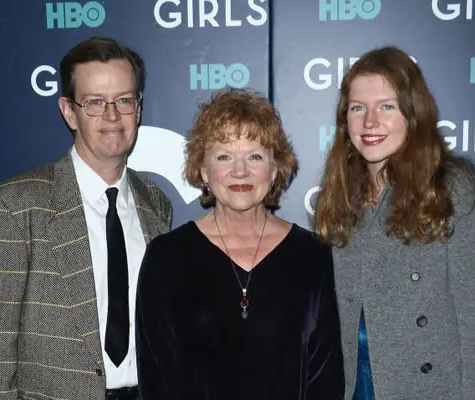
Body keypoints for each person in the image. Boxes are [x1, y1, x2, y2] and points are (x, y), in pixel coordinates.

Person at [0, 37, 171, 400]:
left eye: (124, 100)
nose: (112, 116)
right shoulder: (15, 206)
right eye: (95, 102)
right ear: (68, 111)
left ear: (138, 110)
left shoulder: (156, 205)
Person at [314, 46, 475, 399]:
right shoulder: (338, 195)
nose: (370, 122)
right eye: (358, 108)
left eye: (386, 106)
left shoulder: (451, 188)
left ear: (413, 114)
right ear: (344, 119)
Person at [136, 88, 344, 399]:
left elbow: (326, 378)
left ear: (274, 169)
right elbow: (157, 380)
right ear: (204, 170)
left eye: (254, 156)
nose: (240, 171)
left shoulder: (313, 256)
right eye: (224, 156)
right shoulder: (167, 258)